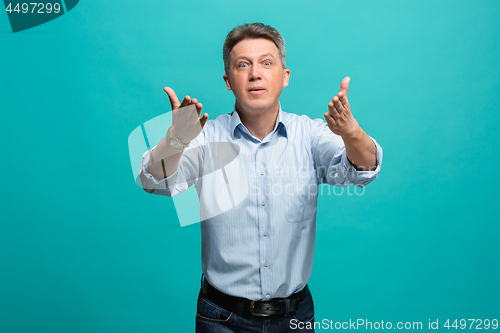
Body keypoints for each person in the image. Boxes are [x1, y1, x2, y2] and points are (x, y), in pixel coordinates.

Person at [139, 22, 383, 333]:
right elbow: (153, 181)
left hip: (295, 316)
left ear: (285, 76)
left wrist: (351, 132)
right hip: (221, 317)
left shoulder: (310, 134)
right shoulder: (205, 137)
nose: (255, 73)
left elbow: (362, 171)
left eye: (266, 63)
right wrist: (175, 140)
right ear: (228, 81)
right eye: (243, 65)